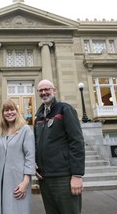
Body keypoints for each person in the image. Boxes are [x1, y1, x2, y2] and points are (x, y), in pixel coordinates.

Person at [34, 79, 85, 214]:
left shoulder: (65, 109)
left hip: (64, 178)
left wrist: (77, 175)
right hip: (45, 178)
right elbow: (36, 143)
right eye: (41, 90)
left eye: (47, 89)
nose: (44, 92)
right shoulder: (38, 116)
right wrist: (34, 163)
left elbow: (77, 141)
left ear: (54, 90)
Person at [0, 99, 36, 214]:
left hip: (18, 180)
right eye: (6, 110)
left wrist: (25, 182)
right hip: (1, 180)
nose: (9, 112)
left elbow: (30, 157)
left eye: (12, 109)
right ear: (2, 113)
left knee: (17, 209)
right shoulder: (1, 132)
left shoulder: (25, 130)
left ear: (17, 111)